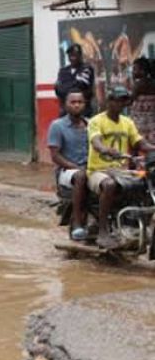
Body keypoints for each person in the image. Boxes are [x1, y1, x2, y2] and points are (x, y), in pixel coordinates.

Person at [87, 86, 155, 249]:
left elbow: (139, 143)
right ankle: (103, 231)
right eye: (118, 100)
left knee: (146, 182)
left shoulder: (127, 122)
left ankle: (134, 225)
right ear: (109, 101)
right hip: (98, 171)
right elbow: (96, 142)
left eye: (124, 101)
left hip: (122, 171)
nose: (121, 104)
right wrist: (105, 149)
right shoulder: (96, 121)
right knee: (109, 185)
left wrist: (152, 148)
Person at [47, 88, 89, 241]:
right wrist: (75, 167)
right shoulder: (57, 126)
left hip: (88, 169)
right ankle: (77, 222)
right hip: (67, 172)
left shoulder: (90, 125)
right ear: (65, 105)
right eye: (73, 102)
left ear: (85, 104)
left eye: (80, 102)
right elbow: (55, 156)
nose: (76, 105)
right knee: (81, 176)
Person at [55, 44, 95, 116]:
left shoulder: (87, 68)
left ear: (80, 56)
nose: (72, 58)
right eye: (70, 56)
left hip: (83, 111)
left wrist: (66, 87)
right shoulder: (63, 70)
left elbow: (80, 86)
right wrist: (72, 85)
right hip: (66, 111)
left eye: (75, 55)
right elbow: (58, 89)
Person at [130, 57, 155, 145]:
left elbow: (129, 101)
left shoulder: (139, 84)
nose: (133, 71)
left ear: (143, 71)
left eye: (135, 69)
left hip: (141, 125)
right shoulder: (152, 83)